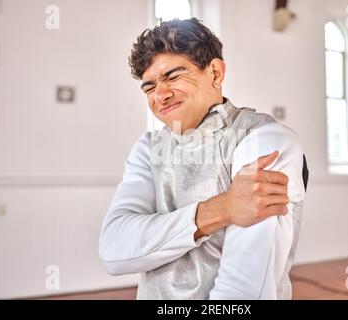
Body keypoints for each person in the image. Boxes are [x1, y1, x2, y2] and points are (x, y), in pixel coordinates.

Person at [99, 18, 306, 300]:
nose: (160, 94)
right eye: (149, 87)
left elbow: (244, 289)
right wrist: (221, 209)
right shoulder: (149, 147)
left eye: (173, 76)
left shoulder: (264, 139)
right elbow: (114, 250)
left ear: (216, 73)